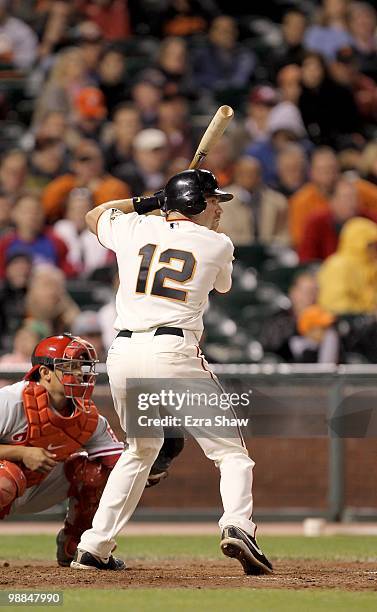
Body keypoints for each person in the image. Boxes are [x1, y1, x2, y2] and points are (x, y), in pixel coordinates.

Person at [71, 169, 273, 575]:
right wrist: (166, 206)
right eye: (213, 200)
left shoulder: (134, 227)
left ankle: (94, 545)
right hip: (171, 350)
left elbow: (94, 215)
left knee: (139, 449)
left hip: (125, 352)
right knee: (230, 453)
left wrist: (149, 203)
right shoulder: (217, 244)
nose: (218, 208)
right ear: (195, 204)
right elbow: (222, 287)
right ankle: (237, 523)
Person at [0, 333, 183, 566]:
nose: (79, 373)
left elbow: (118, 465)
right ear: (45, 373)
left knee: (97, 474)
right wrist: (22, 453)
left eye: (83, 366)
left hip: (38, 486)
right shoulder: (10, 401)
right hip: (7, 481)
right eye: (70, 366)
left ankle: (74, 544)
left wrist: (151, 463)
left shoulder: (89, 418)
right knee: (6, 478)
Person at [318, 217, 377, 314]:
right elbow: (335, 304)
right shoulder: (338, 265)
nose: (374, 249)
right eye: (370, 244)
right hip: (345, 323)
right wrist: (366, 313)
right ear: (357, 243)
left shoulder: (372, 266)